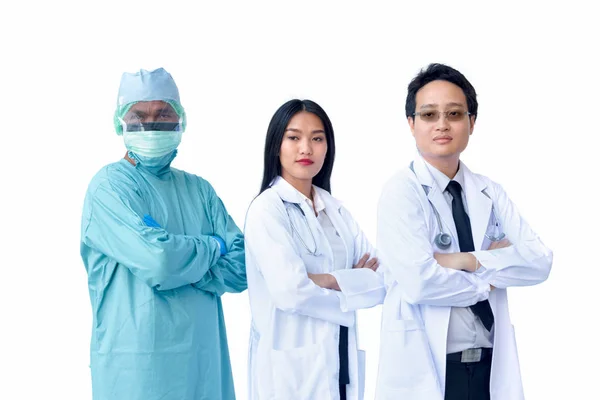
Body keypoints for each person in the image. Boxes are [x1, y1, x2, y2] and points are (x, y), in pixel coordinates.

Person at [375, 63, 553, 400]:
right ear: (411, 124)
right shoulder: (401, 192)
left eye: (454, 114)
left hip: (488, 368)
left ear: (471, 122)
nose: (442, 124)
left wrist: (464, 260)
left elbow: (539, 262)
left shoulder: (490, 191)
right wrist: (491, 274)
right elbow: (420, 281)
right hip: (432, 369)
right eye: (429, 115)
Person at [80, 68, 247, 400]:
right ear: (120, 123)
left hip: (203, 366)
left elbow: (243, 266)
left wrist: (184, 263)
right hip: (137, 371)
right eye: (140, 116)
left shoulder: (200, 190)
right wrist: (213, 245)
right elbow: (160, 262)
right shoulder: (110, 187)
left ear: (181, 121)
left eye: (163, 115)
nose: (151, 125)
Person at [244, 99, 386, 400]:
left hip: (339, 369)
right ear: (276, 146)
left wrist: (321, 278)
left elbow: (382, 281)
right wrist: (348, 281)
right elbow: (289, 292)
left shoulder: (335, 210)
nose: (306, 148)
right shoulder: (266, 210)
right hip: (292, 377)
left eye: (317, 138)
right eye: (294, 137)